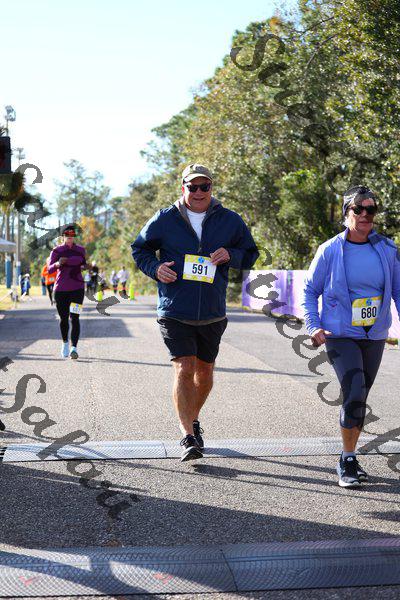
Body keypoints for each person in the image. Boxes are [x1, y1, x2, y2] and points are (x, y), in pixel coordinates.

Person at [132, 163, 259, 462]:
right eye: (193, 187)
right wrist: (155, 268)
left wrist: (231, 255)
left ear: (211, 188)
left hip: (213, 311)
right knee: (184, 368)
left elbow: (250, 253)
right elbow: (140, 249)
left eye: (205, 186)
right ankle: (188, 435)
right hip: (175, 308)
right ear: (183, 188)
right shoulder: (165, 218)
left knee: (205, 372)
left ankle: (192, 418)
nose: (199, 192)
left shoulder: (230, 220)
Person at [302, 185, 400, 488]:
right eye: (359, 209)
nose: (366, 214)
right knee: (355, 391)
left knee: (361, 394)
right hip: (340, 333)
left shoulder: (387, 249)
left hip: (375, 334)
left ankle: (351, 456)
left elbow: (399, 291)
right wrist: (313, 325)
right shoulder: (330, 249)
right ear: (347, 213)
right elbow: (310, 291)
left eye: (371, 209)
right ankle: (346, 458)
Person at [48, 224, 87, 359]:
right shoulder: (56, 251)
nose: (70, 237)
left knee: (75, 318)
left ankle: (73, 348)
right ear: (63, 236)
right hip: (61, 291)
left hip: (77, 289)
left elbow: (83, 264)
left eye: (72, 234)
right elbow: (49, 269)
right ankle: (65, 343)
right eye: (67, 235)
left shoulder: (81, 250)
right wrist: (58, 263)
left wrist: (85, 267)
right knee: (64, 319)